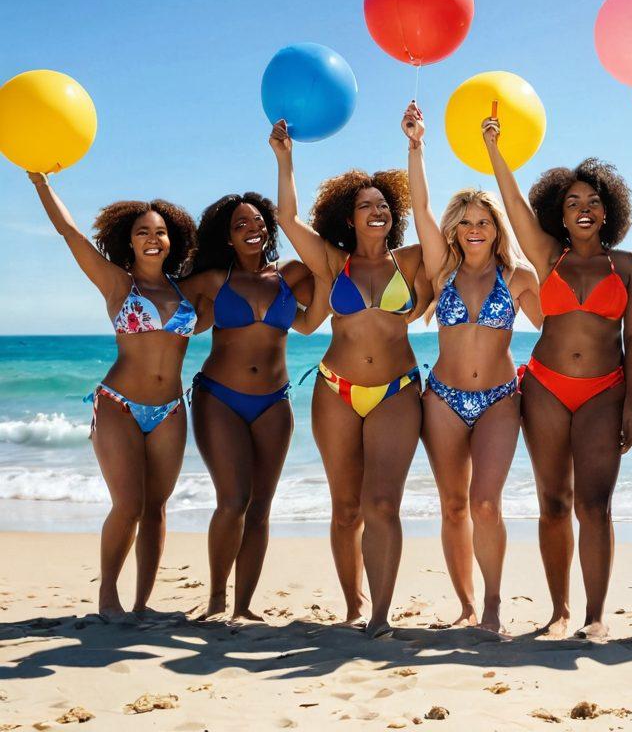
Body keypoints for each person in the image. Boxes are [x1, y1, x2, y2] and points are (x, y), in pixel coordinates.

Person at [482, 117, 632, 639]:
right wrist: (494, 148)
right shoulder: (547, 257)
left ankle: (596, 615)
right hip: (546, 386)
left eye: (593, 201)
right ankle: (558, 610)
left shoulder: (628, 266)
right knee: (552, 502)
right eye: (573, 202)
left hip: (605, 389)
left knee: (594, 505)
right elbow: (512, 207)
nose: (583, 209)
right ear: (560, 212)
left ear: (609, 212)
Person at [272, 120, 433, 638]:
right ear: (350, 216)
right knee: (345, 509)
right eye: (366, 205)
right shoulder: (333, 263)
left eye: (384, 204)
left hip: (397, 392)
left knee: (382, 503)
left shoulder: (409, 261)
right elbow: (287, 217)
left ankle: (381, 614)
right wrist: (285, 158)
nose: (378, 210)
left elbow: (430, 214)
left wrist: (415, 147)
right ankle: (353, 605)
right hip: (335, 391)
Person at [29, 172, 197, 621]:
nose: (153, 238)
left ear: (171, 239)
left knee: (157, 508)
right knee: (128, 504)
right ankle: (108, 598)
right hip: (119, 403)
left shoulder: (187, 289)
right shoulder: (118, 285)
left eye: (160, 232)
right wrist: (41, 183)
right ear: (129, 240)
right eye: (143, 232)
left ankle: (143, 603)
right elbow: (70, 234)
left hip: (171, 409)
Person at [404, 101, 541, 635]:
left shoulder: (519, 275)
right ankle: (463, 604)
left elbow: (562, 329)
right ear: (456, 230)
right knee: (453, 506)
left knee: (485, 502)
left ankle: (492, 605)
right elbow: (419, 207)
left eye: (485, 221)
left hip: (501, 400)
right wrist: (416, 145)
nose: (476, 229)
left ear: (495, 228)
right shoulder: (443, 271)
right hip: (441, 397)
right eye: (467, 223)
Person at [182, 192, 326, 620]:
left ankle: (243, 606)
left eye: (259, 221)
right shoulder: (211, 280)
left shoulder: (291, 274)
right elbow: (158, 301)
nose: (253, 229)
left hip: (273, 402)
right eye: (241, 224)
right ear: (226, 237)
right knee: (233, 500)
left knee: (261, 508)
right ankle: (216, 598)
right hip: (218, 399)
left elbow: (315, 306)